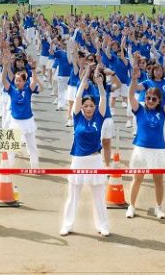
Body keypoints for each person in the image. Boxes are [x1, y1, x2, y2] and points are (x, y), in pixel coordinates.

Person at [60, 65, 109, 236]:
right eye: (86, 106)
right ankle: (67, 225)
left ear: (94, 107)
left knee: (99, 198)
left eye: (91, 106)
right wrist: (86, 76)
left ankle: (103, 225)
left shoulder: (99, 117)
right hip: (78, 160)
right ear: (81, 107)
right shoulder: (77, 117)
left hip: (95, 160)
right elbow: (78, 96)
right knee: (73, 197)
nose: (88, 108)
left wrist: (100, 84)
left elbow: (103, 97)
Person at [126, 64, 165, 220]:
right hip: (141, 149)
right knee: (137, 179)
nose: (150, 101)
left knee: (158, 180)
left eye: (154, 99)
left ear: (159, 100)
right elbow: (131, 96)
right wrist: (134, 80)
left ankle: (158, 207)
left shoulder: (163, 111)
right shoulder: (140, 110)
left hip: (158, 150)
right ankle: (131, 206)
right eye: (148, 98)